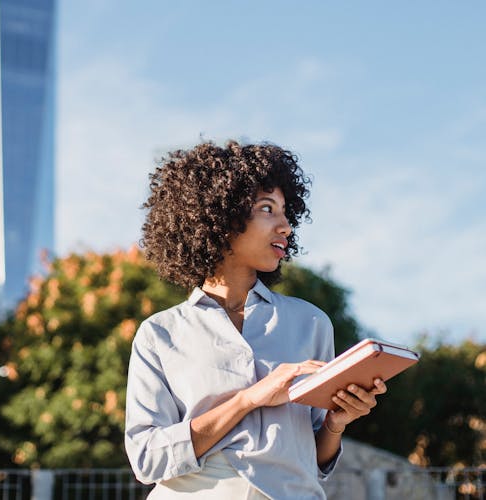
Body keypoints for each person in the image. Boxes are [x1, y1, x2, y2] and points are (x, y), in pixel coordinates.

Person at [124, 140, 386, 499]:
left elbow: (315, 458)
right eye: (267, 209)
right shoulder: (159, 334)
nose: (286, 227)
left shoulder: (311, 322)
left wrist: (336, 424)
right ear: (219, 215)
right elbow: (147, 459)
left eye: (285, 212)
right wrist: (249, 399)